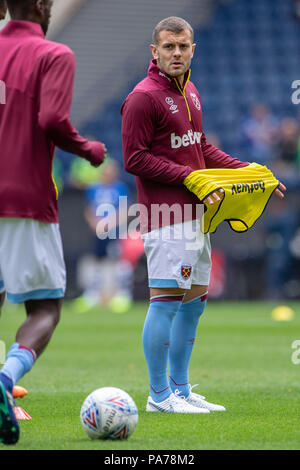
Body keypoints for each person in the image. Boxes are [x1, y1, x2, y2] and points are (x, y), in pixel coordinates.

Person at [121, 16, 285, 414]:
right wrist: (190, 178)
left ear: (193, 49)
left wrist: (247, 172)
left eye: (183, 46)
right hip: (166, 214)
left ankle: (179, 389)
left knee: (193, 303)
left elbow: (200, 151)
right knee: (165, 302)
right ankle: (158, 396)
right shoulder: (143, 97)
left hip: (197, 216)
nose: (176, 53)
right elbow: (134, 158)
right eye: (168, 47)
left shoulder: (191, 91)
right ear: (154, 51)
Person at [0, 0, 106, 445]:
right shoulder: (53, 54)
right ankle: (5, 382)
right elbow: (52, 119)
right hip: (24, 195)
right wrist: (88, 149)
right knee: (44, 307)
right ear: (44, 5)